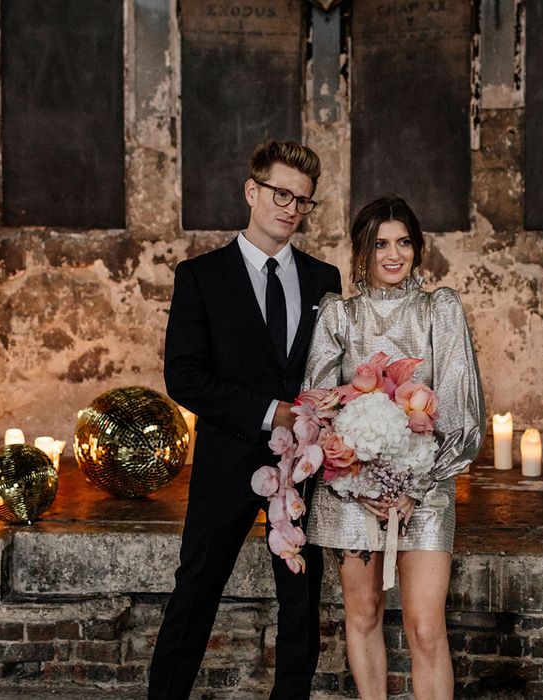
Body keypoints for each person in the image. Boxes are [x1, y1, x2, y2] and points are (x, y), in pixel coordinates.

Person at [149, 140, 342, 700]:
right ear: (252, 191)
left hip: (302, 465)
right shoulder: (201, 276)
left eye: (302, 200)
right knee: (196, 589)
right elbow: (184, 377)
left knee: (301, 599)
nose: (290, 207)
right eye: (281, 193)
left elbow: (332, 368)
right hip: (227, 457)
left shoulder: (323, 278)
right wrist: (269, 412)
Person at [303, 196, 485, 699]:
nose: (393, 254)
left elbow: (462, 412)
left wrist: (414, 487)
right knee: (362, 616)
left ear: (417, 248)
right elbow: (317, 408)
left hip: (424, 490)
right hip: (350, 492)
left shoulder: (439, 309)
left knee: (426, 628)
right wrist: (359, 483)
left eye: (403, 242)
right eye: (380, 243)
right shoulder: (339, 315)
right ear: (362, 250)